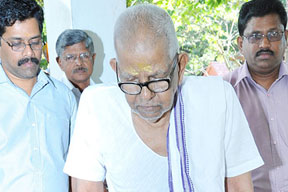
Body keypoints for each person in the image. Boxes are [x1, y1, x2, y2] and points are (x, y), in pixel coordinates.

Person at [64, 4, 263, 192]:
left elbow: (239, 186)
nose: (145, 95)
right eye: (131, 80)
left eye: (157, 80)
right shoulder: (98, 106)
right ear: (116, 69)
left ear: (180, 66)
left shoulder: (218, 98)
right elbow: (87, 188)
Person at [0, 0, 77, 191]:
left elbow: (77, 166)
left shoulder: (64, 97)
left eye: (35, 42)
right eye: (17, 44)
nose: (29, 52)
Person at [224, 0, 288, 191]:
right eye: (255, 36)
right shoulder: (224, 93)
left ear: (286, 37)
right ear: (241, 43)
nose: (265, 43)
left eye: (273, 34)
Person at [56, 29, 96, 104]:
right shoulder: (54, 97)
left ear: (93, 58)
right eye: (70, 57)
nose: (79, 63)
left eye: (84, 56)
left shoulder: (102, 94)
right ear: (60, 62)